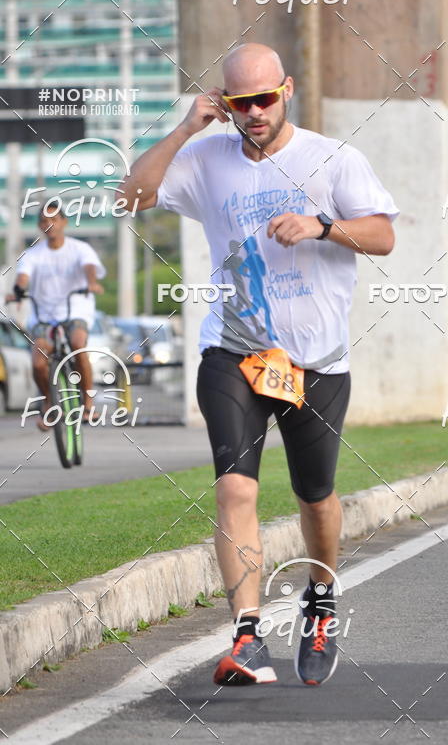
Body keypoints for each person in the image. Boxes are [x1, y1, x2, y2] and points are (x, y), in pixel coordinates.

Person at [121, 42, 398, 686]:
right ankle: (247, 635)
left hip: (316, 361)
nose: (253, 113)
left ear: (288, 90)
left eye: (264, 99)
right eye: (239, 101)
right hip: (234, 351)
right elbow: (132, 194)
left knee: (316, 496)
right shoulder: (206, 158)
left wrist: (323, 226)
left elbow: (383, 234)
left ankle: (321, 603)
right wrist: (188, 125)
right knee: (235, 486)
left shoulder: (332, 159)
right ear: (225, 101)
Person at [8, 205, 105, 428]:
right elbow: (23, 276)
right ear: (40, 226)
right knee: (38, 363)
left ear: (64, 222)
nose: (48, 225)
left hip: (75, 309)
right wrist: (20, 291)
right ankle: (49, 402)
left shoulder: (81, 249)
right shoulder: (33, 254)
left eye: (54, 219)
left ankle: (88, 402)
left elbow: (89, 267)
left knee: (78, 344)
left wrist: (91, 283)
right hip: (44, 315)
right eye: (43, 221)